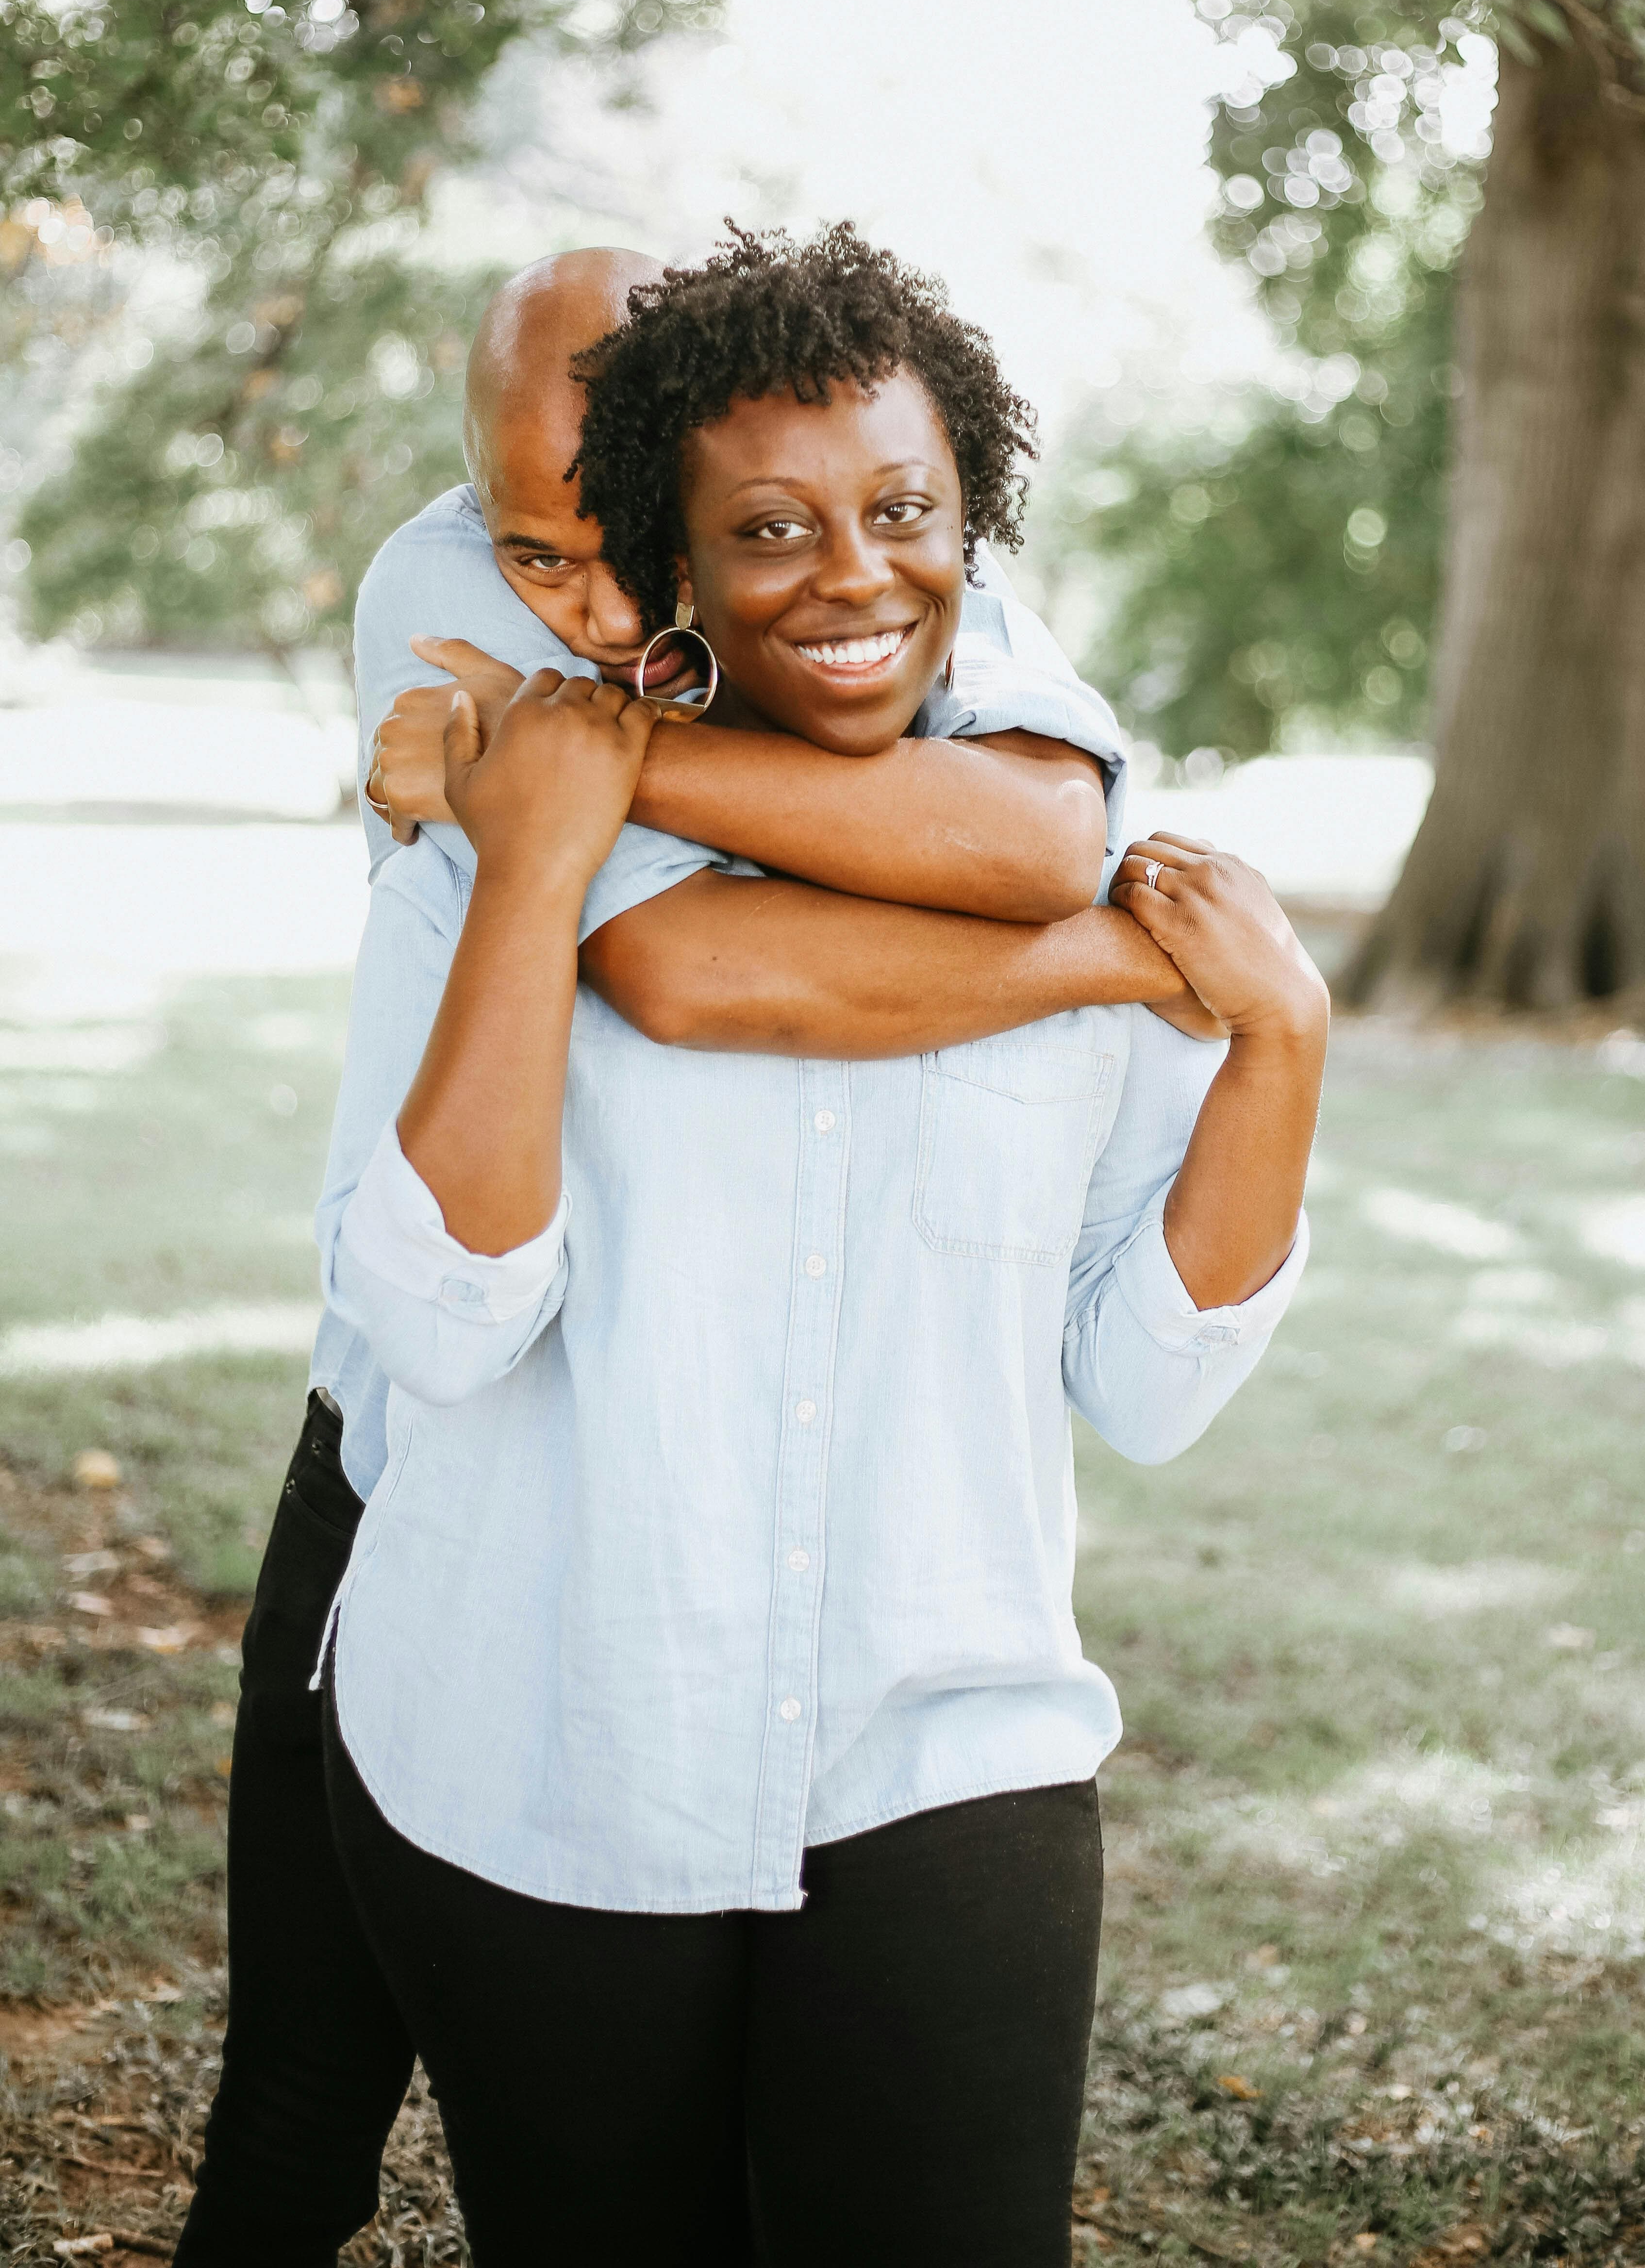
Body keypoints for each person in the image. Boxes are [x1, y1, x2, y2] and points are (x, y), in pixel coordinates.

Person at [174, 247, 1229, 2268]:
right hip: (447, 1511)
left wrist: (564, 763)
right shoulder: (454, 587)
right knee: (308, 2078)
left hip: (896, 1705)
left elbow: (1026, 843)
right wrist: (537, 812)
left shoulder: (895, 586)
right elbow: (673, 964)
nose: (567, 608)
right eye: (538, 553)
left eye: (615, 547)